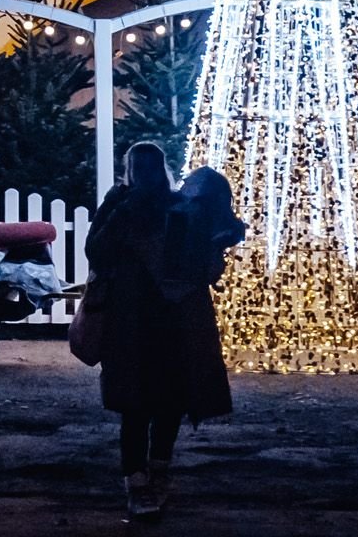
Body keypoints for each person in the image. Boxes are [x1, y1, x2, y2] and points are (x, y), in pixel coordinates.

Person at [85, 144, 247, 520]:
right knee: (136, 405)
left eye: (151, 167)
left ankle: (157, 471)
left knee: (169, 400)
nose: (146, 175)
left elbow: (215, 243)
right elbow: (97, 250)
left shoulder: (181, 207)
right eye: (139, 167)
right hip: (133, 320)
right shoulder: (121, 203)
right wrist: (125, 214)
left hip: (170, 319)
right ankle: (138, 480)